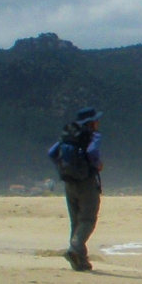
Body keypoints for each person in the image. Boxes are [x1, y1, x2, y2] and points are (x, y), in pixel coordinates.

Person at [47, 107, 104, 272]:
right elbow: (92, 151)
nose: (98, 122)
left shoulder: (68, 136)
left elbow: (52, 153)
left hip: (69, 182)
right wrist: (96, 164)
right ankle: (75, 248)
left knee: (76, 222)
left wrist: (63, 168)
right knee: (88, 220)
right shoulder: (93, 135)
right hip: (87, 182)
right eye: (96, 120)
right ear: (91, 122)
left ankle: (80, 261)